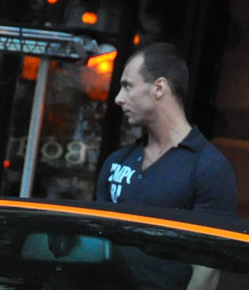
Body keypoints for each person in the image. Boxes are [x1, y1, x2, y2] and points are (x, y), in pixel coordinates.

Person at [97, 42, 237, 216]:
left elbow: (208, 243)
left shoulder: (210, 169)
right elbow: (101, 239)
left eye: (128, 86)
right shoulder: (116, 162)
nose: (119, 98)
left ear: (159, 88)